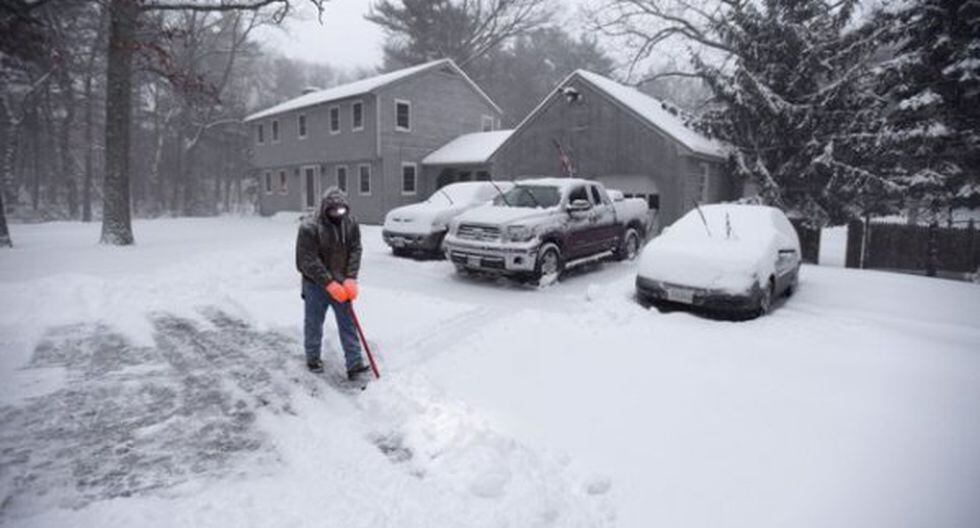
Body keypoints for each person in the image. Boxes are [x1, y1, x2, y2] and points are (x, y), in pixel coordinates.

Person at [295, 187, 370, 380]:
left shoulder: (350, 224)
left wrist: (351, 277)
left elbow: (355, 249)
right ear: (324, 208)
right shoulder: (309, 227)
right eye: (333, 210)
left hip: (342, 283)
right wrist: (329, 283)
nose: (337, 213)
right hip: (315, 285)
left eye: (341, 209)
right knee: (314, 323)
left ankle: (354, 364)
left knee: (348, 323)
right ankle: (313, 358)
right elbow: (306, 260)